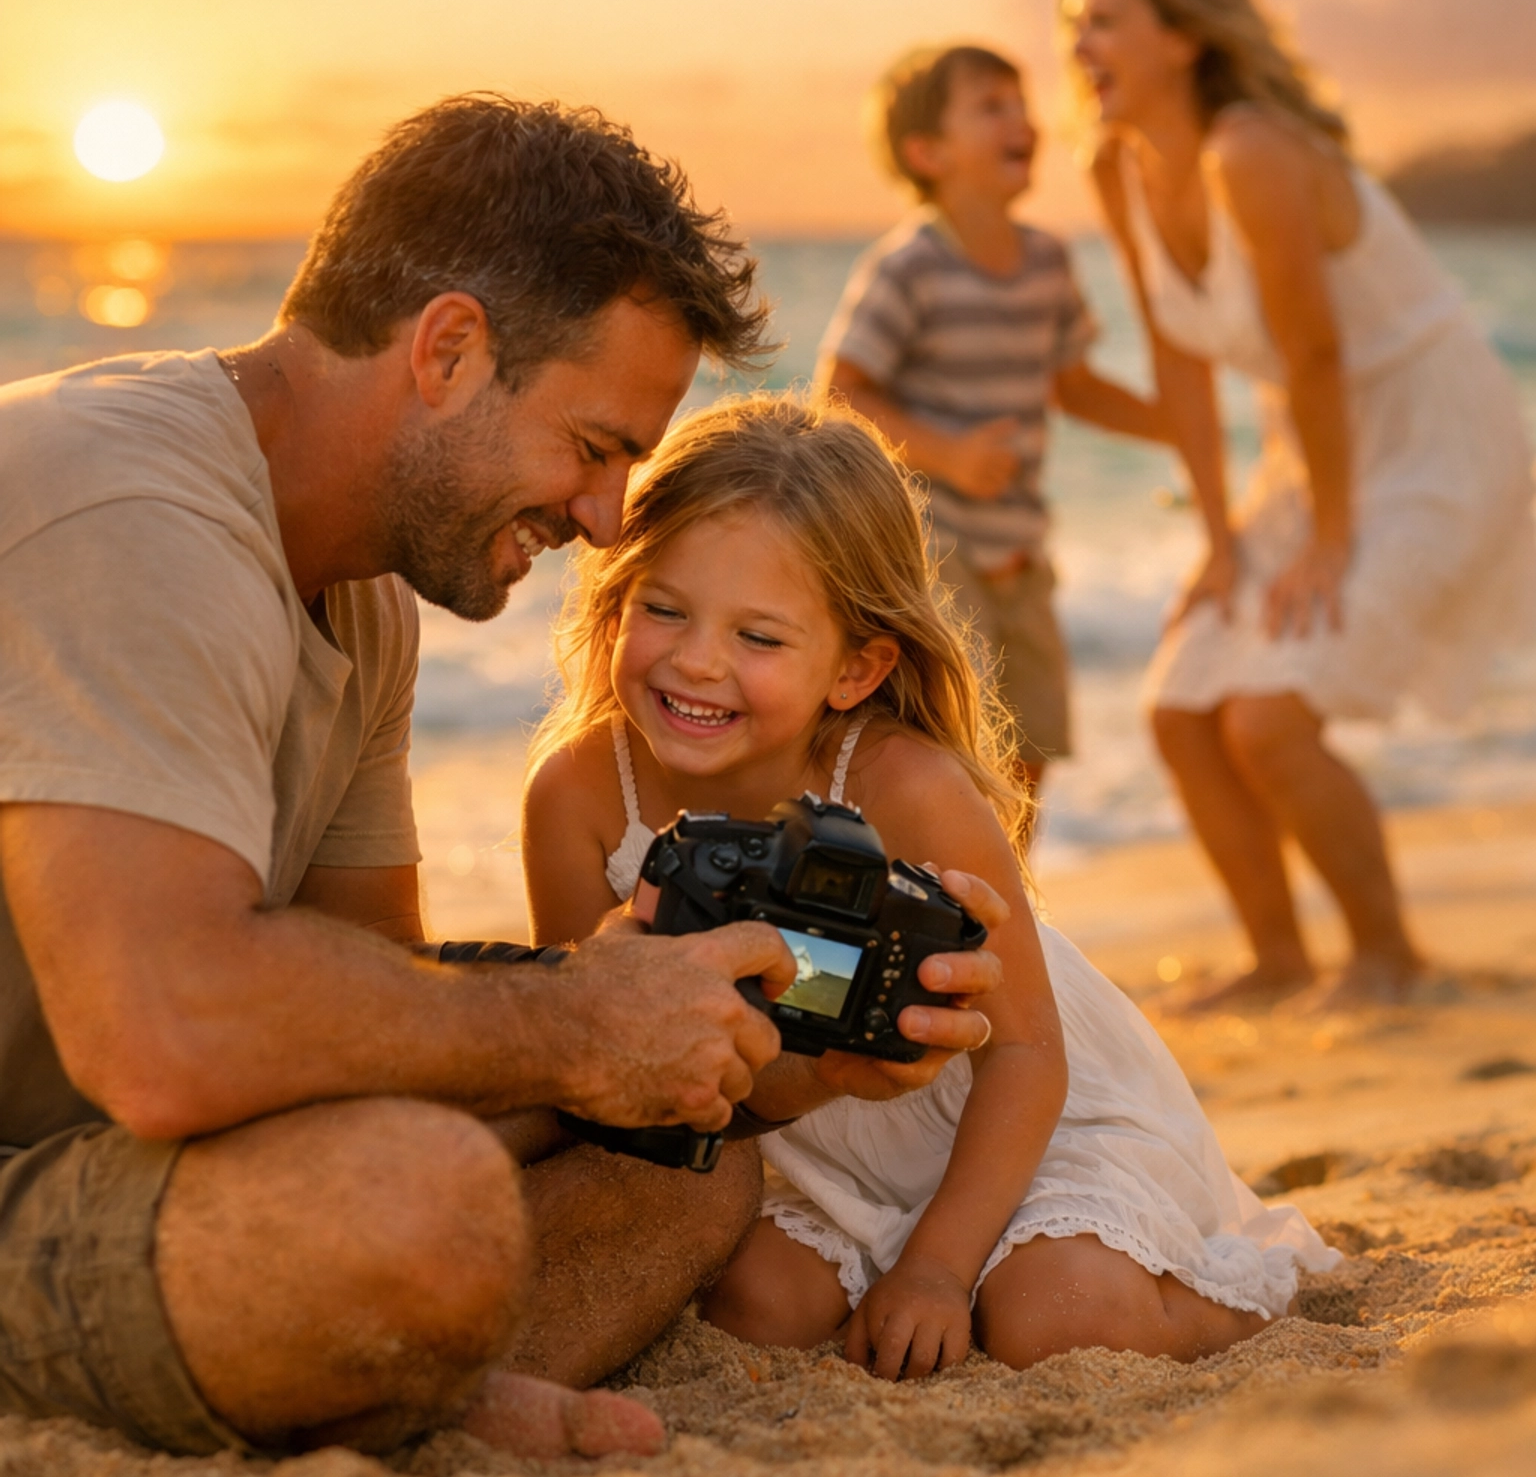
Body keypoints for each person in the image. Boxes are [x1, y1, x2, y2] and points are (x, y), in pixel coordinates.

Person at [0, 95, 1003, 1463]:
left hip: (103, 1133)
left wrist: (779, 1050)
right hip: (67, 1132)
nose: (605, 524)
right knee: (417, 1206)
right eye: (595, 450)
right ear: (450, 350)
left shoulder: (364, 600)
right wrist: (580, 1025)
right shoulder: (132, 514)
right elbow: (166, 1034)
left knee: (690, 1173)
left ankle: (402, 1383)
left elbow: (368, 1013)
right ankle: (412, 1377)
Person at [522, 394, 1334, 1380]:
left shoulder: (899, 785)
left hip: (1011, 1125)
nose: (697, 661)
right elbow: (601, 1067)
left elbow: (1029, 1053)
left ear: (856, 668)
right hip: (808, 1140)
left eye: (760, 639)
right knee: (752, 1308)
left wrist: (940, 1271)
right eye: (664, 608)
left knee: (1050, 1318)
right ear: (616, 597)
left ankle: (1223, 1305)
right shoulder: (579, 798)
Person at [1062, 0, 1536, 1012]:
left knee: (1270, 717)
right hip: (1310, 442)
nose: (1078, 45)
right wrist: (1221, 541)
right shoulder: (1116, 167)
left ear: (1181, 36)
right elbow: (1179, 358)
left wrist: (1329, 538)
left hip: (1429, 438)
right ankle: (1279, 960)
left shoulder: (1254, 153)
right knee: (1182, 711)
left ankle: (1390, 960)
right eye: (1072, 25)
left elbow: (1319, 355)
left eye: (1103, 19)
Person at [816, 43, 1169, 807]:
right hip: (937, 550)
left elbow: (1073, 385)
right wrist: (949, 453)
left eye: (1022, 104)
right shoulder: (909, 266)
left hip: (1022, 551)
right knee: (954, 743)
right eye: (991, 107)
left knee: (1031, 749)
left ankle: (1006, 909)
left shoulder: (1048, 261)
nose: (1023, 122)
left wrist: (1177, 427)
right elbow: (839, 395)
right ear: (927, 152)